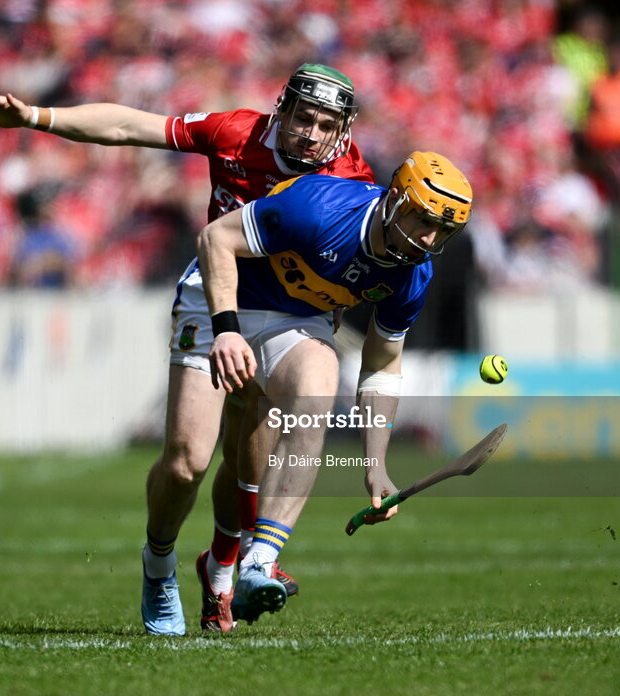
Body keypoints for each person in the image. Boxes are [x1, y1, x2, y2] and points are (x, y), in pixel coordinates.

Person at [0, 64, 374, 635]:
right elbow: (132, 125)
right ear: (282, 108)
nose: (310, 132)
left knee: (249, 461)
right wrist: (36, 117)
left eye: (325, 123)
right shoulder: (236, 133)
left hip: (289, 315)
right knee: (187, 463)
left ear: (343, 130)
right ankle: (159, 564)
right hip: (215, 300)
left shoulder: (354, 177)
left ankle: (226, 570)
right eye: (303, 116)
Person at [194, 150, 473, 624]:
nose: (429, 239)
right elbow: (215, 239)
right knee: (191, 460)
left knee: (313, 400)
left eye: (443, 231)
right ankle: (168, 565)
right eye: (423, 220)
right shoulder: (318, 207)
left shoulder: (412, 272)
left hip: (298, 325)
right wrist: (226, 328)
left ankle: (256, 563)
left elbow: (383, 367)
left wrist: (375, 464)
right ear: (396, 199)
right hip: (225, 305)